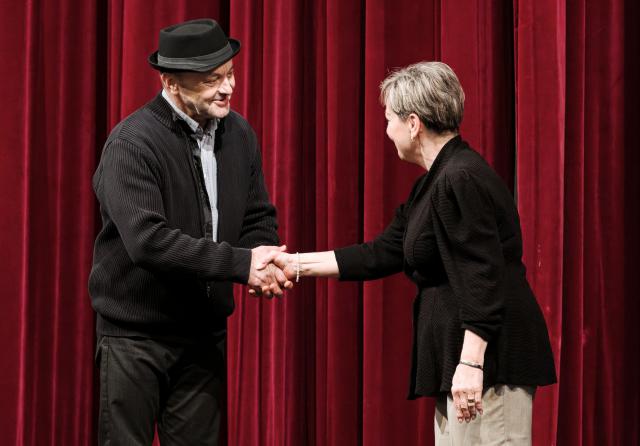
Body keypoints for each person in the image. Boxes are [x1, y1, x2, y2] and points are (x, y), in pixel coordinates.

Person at [272, 62, 556, 445]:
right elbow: (382, 253)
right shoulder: (433, 182)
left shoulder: (460, 177)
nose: (386, 131)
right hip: (460, 362)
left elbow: (483, 273)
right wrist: (295, 264)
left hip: (489, 364)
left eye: (388, 119)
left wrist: (471, 363)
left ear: (412, 123)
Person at [89, 18, 290, 445]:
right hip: (135, 340)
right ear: (171, 82)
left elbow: (257, 217)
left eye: (230, 74)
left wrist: (263, 259)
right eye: (211, 80)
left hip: (203, 338)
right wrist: (241, 264)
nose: (227, 88)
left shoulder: (239, 134)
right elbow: (148, 241)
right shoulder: (131, 144)